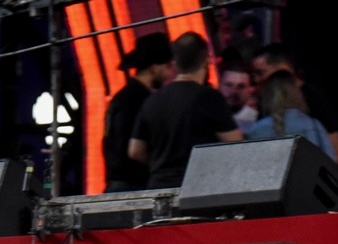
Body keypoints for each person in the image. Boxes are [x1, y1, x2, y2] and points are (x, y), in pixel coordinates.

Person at [129, 32, 242, 191]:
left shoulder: (152, 100)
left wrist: (160, 164)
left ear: (175, 63)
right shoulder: (209, 97)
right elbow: (235, 143)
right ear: (206, 61)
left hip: (158, 190)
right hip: (198, 188)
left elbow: (135, 151)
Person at [102, 33, 172, 192]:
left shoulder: (124, 97)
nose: (169, 74)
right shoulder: (137, 100)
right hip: (131, 187)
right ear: (154, 68)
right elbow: (132, 149)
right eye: (167, 67)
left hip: (121, 185)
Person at [248, 44, 338, 160]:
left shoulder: (315, 99)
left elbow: (336, 153)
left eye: (260, 72)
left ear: (283, 68)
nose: (256, 79)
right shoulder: (263, 101)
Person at [219, 58, 259, 136]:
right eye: (228, 85)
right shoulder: (209, 117)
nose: (233, 91)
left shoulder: (260, 119)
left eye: (241, 86)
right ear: (219, 85)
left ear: (250, 89)